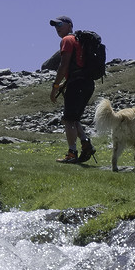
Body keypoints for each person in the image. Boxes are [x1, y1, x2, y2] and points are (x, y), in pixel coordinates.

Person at [49, 17, 101, 165]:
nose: (57, 28)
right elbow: (79, 65)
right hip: (87, 83)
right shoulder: (81, 41)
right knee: (74, 117)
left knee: (69, 119)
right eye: (55, 26)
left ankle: (72, 153)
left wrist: (55, 87)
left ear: (70, 25)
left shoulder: (67, 40)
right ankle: (86, 144)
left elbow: (63, 65)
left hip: (77, 83)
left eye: (60, 24)